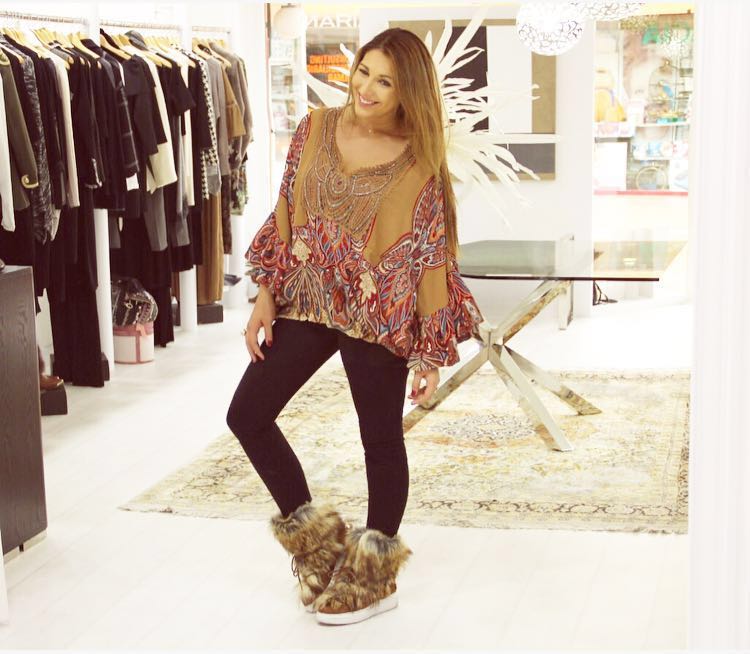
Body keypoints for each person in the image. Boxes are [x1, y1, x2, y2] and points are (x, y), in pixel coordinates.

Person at [226, 27, 482, 626]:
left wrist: (429, 351)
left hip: (379, 316)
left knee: (380, 440)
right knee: (247, 415)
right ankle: (318, 548)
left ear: (407, 92)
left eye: (384, 81)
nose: (366, 88)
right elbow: (287, 211)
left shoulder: (421, 162)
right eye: (364, 71)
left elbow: (430, 256)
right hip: (309, 301)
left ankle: (374, 575)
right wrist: (265, 296)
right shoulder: (314, 128)